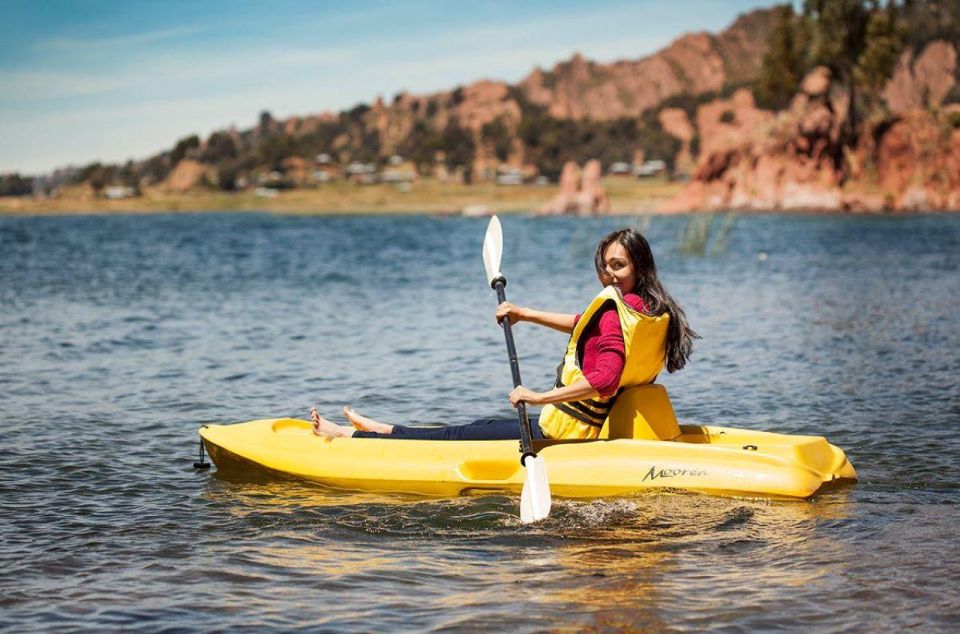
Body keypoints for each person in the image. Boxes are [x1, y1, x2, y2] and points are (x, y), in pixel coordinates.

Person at [310, 228, 697, 441]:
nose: (609, 274)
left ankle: (352, 436)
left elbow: (606, 379)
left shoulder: (616, 312)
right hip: (586, 430)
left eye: (618, 265)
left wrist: (538, 396)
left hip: (560, 433)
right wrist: (524, 314)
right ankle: (381, 428)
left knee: (460, 433)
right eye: (604, 266)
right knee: (480, 427)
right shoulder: (651, 309)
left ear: (639, 267)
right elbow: (585, 323)